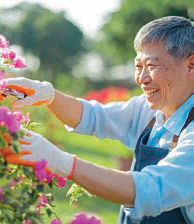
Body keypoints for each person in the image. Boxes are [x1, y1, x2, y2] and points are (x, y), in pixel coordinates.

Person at [2, 16, 194, 224]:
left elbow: (150, 190)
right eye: (138, 67)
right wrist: (48, 94)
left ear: (191, 65)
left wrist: (60, 162)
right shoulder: (150, 111)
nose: (142, 78)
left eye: (152, 65)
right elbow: (94, 117)